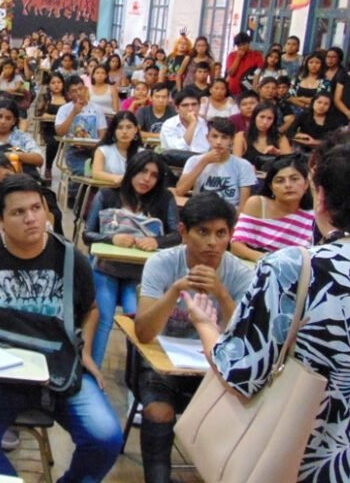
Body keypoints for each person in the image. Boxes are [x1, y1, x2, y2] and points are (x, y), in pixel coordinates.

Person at [182, 129, 350, 482]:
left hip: (310, 463)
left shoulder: (293, 267)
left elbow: (238, 372)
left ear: (321, 197)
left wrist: (204, 324)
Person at [0, 173, 122, 481]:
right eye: (18, 212)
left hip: (57, 368)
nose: (31, 218)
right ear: (0, 220)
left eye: (36, 208)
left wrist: (84, 351)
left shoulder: (71, 259)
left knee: (106, 438)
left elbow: (92, 309)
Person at [133, 193, 254, 483]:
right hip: (163, 364)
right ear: (184, 233)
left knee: (243, 420)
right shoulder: (162, 264)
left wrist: (222, 294)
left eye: (221, 233)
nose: (213, 243)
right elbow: (143, 332)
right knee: (159, 412)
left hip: (216, 369)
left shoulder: (240, 273)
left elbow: (245, 340)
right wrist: (174, 291)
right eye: (203, 232)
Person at [83, 151, 180, 366]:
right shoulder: (108, 195)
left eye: (154, 175)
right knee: (103, 317)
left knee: (139, 321)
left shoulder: (164, 199)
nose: (147, 179)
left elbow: (176, 235)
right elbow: (87, 234)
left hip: (141, 274)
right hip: (106, 269)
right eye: (143, 172)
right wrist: (111, 238)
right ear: (131, 171)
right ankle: (91, 372)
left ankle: (138, 383)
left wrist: (157, 242)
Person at [230, 154, 314, 262]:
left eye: (294, 179)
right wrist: (268, 261)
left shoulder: (313, 216)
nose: (288, 185)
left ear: (306, 184)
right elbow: (236, 245)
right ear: (271, 187)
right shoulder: (258, 204)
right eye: (280, 181)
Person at [176, 117, 257, 210]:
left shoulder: (243, 165)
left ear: (231, 140)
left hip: (229, 215)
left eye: (224, 137)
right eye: (214, 136)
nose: (218, 142)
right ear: (207, 138)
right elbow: (180, 191)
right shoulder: (194, 161)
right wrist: (204, 162)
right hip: (201, 212)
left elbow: (243, 208)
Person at [233, 102, 292, 170]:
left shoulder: (280, 138)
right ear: (254, 117)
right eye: (262, 117)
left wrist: (277, 152)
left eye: (269, 118)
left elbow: (290, 162)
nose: (265, 122)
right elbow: (236, 164)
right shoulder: (241, 136)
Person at [91, 110, 143, 184]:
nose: (124, 131)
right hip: (108, 192)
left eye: (129, 127)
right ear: (114, 131)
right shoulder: (102, 150)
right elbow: (96, 173)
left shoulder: (142, 153)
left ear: (135, 130)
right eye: (120, 127)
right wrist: (115, 178)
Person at [159, 88, 210, 161]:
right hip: (176, 167)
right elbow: (178, 151)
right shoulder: (169, 125)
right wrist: (192, 124)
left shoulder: (205, 124)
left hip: (203, 165)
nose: (190, 109)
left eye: (194, 104)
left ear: (199, 106)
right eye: (185, 105)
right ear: (177, 108)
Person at [35, 72, 68, 180]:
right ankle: (48, 168)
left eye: (59, 82)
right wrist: (55, 117)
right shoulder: (45, 97)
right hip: (49, 129)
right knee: (53, 142)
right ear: (49, 85)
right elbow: (39, 113)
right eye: (53, 83)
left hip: (66, 129)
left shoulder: (68, 98)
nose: (56, 85)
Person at [225, 32, 264, 97]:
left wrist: (254, 89)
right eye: (239, 46)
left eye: (243, 44)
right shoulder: (232, 55)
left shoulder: (256, 55)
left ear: (248, 43)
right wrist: (238, 57)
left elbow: (259, 71)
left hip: (248, 91)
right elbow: (231, 73)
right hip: (232, 91)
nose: (241, 47)